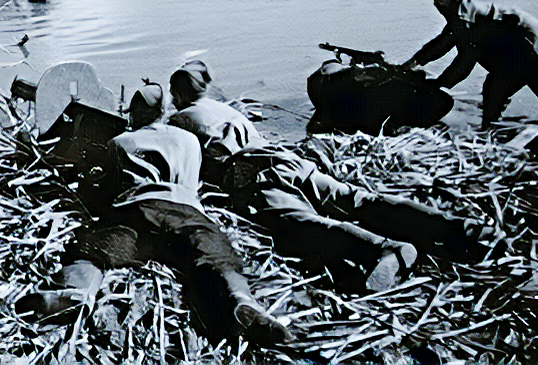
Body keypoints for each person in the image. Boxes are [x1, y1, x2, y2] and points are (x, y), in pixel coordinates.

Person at [167, 63, 494, 293]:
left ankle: (385, 249)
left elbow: (181, 164)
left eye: (173, 93)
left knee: (297, 222)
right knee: (359, 200)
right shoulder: (224, 108)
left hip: (255, 176)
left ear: (179, 94)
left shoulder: (181, 120)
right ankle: (468, 231)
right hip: (289, 161)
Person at [17, 84, 293, 348]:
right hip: (185, 213)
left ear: (135, 114)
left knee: (92, 251)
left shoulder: (120, 141)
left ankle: (75, 293)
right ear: (161, 112)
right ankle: (242, 301)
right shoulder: (190, 140)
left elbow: (104, 196)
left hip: (138, 211)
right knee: (216, 257)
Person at [402, 0, 538, 128]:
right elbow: (444, 41)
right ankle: (491, 130)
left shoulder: (466, 21)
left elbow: (464, 63)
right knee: (494, 94)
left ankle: (491, 132)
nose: (434, 3)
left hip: (530, 52)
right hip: (519, 54)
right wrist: (414, 62)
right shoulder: (462, 13)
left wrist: (439, 85)